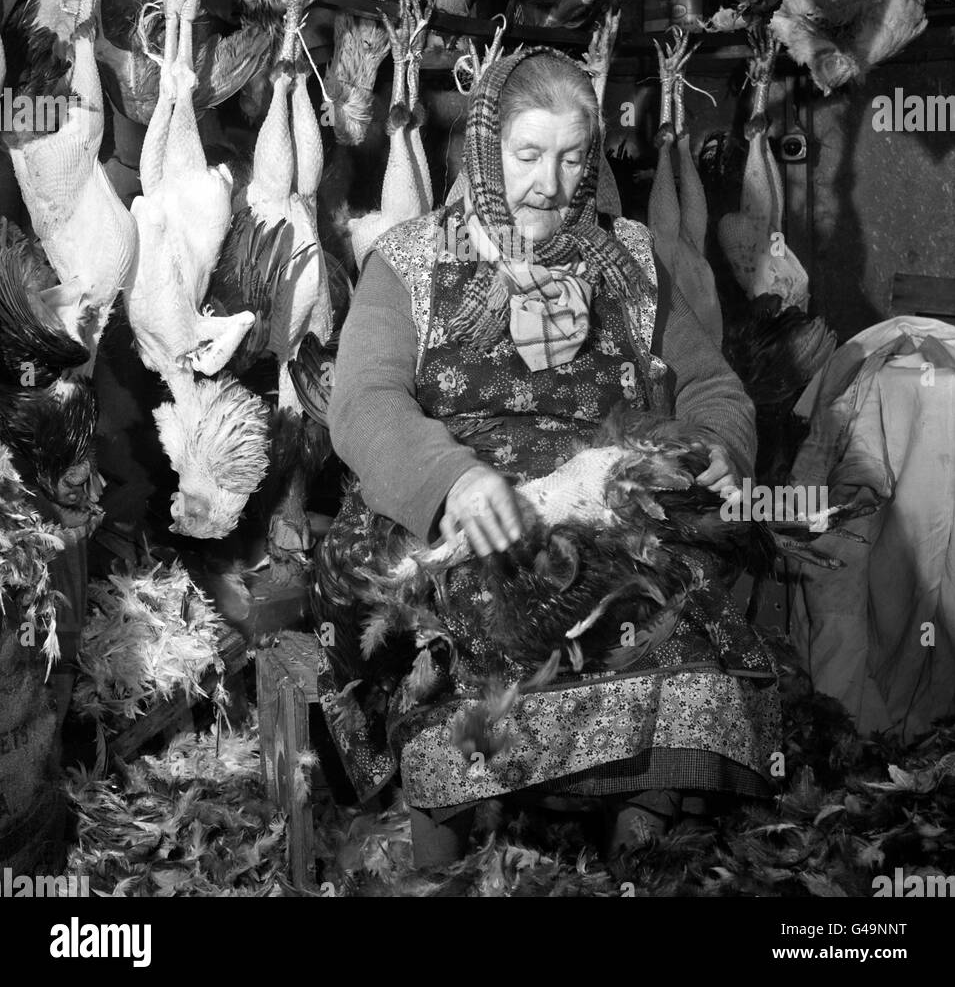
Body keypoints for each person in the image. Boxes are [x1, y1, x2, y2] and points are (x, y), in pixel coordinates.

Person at [315, 47, 779, 869]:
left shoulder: (630, 261)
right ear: (486, 150)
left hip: (601, 500)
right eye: (527, 156)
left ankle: (640, 833)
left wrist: (715, 446)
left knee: (672, 605)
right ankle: (452, 858)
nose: (549, 183)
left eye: (571, 158)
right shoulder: (413, 261)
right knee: (465, 610)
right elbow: (361, 402)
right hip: (461, 505)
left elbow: (711, 385)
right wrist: (449, 477)